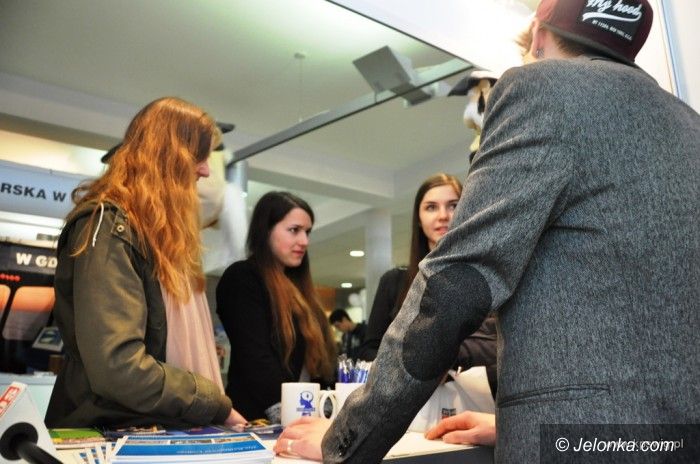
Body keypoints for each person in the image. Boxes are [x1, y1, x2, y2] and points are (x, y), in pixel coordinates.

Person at [276, 0, 700, 461]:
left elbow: (456, 286)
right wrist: (508, 424)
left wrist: (346, 439)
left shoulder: (540, 87)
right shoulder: (689, 125)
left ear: (539, 37)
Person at [45, 97, 246, 429]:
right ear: (168, 156)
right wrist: (210, 402)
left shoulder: (163, 239)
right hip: (111, 431)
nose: (206, 170)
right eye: (198, 156)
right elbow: (119, 367)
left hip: (151, 427)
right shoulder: (108, 226)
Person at [357, 173, 497, 393]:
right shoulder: (394, 281)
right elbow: (370, 351)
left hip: (476, 402)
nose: (443, 216)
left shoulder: (491, 276)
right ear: (418, 219)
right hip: (411, 403)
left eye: (453, 206)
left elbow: (500, 346)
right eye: (431, 207)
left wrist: (446, 360)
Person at [216, 191, 336, 422]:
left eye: (307, 232)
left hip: (305, 418)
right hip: (256, 421)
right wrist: (290, 416)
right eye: (294, 230)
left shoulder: (301, 289)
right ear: (266, 230)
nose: (304, 241)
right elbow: (255, 358)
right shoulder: (243, 277)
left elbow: (320, 364)